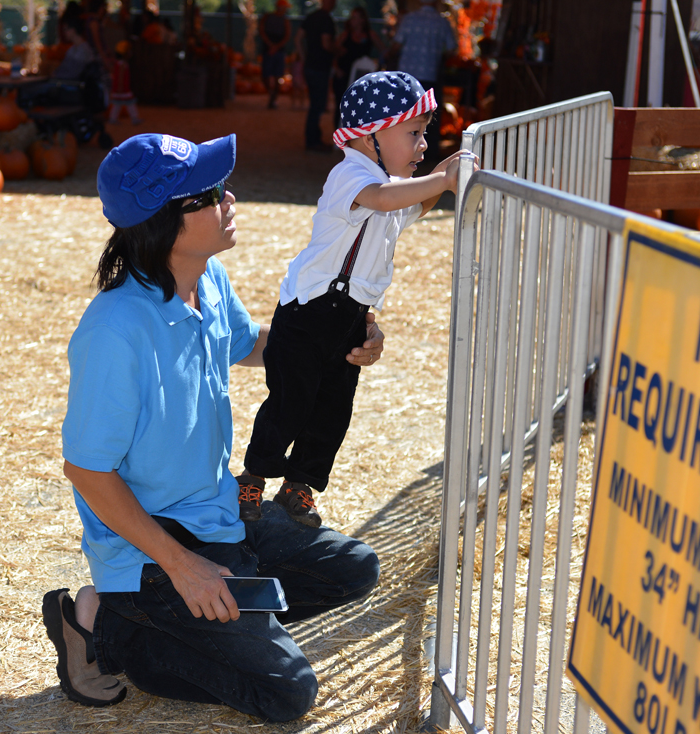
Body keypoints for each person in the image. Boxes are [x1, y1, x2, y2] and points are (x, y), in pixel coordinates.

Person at [41, 132, 383, 720]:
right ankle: (110, 625)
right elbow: (86, 470)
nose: (231, 199)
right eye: (212, 193)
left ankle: (207, 617)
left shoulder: (208, 282)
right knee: (286, 694)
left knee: (353, 568)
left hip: (219, 512)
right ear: (165, 221)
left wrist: (340, 342)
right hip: (153, 543)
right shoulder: (114, 331)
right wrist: (182, 566)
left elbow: (251, 345)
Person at [234, 72, 476, 528]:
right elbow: (384, 201)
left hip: (348, 315)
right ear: (369, 138)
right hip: (307, 311)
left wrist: (444, 176)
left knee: (332, 410)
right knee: (289, 403)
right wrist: (441, 180)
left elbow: (408, 210)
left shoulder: (387, 181)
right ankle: (253, 476)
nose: (423, 144)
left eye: (424, 134)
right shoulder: (352, 175)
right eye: (413, 133)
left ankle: (299, 486)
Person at [391, 0, 456, 144]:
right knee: (429, 115)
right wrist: (438, 54)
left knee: (405, 113)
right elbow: (452, 49)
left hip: (407, 76)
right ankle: (429, 150)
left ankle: (402, 146)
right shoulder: (442, 22)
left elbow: (396, 45)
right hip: (431, 73)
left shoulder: (409, 19)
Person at [295, 0, 337, 151]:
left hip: (311, 66)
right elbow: (326, 43)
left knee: (314, 103)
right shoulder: (326, 20)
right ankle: (313, 140)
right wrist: (337, 50)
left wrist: (304, 59)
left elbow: (298, 38)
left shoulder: (311, 17)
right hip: (320, 66)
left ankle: (313, 137)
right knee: (317, 105)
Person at [332, 7, 382, 129]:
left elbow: (384, 51)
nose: (353, 20)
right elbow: (334, 53)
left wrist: (378, 68)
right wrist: (336, 69)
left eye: (356, 17)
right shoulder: (345, 36)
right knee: (341, 105)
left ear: (362, 20)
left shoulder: (370, 35)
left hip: (361, 78)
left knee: (360, 106)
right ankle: (339, 133)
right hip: (344, 74)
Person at [258, 0, 290, 109]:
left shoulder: (285, 20)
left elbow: (287, 35)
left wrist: (276, 46)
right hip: (269, 50)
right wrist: (271, 45)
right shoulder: (267, 17)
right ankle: (272, 94)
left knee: (278, 75)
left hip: (278, 50)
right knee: (265, 75)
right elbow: (262, 31)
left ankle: (273, 98)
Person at [107, 40, 141, 124]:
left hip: (119, 89)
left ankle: (113, 118)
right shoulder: (122, 64)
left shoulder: (117, 63)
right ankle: (134, 118)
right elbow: (121, 77)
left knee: (117, 105)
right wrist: (120, 87)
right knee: (130, 104)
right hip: (123, 89)